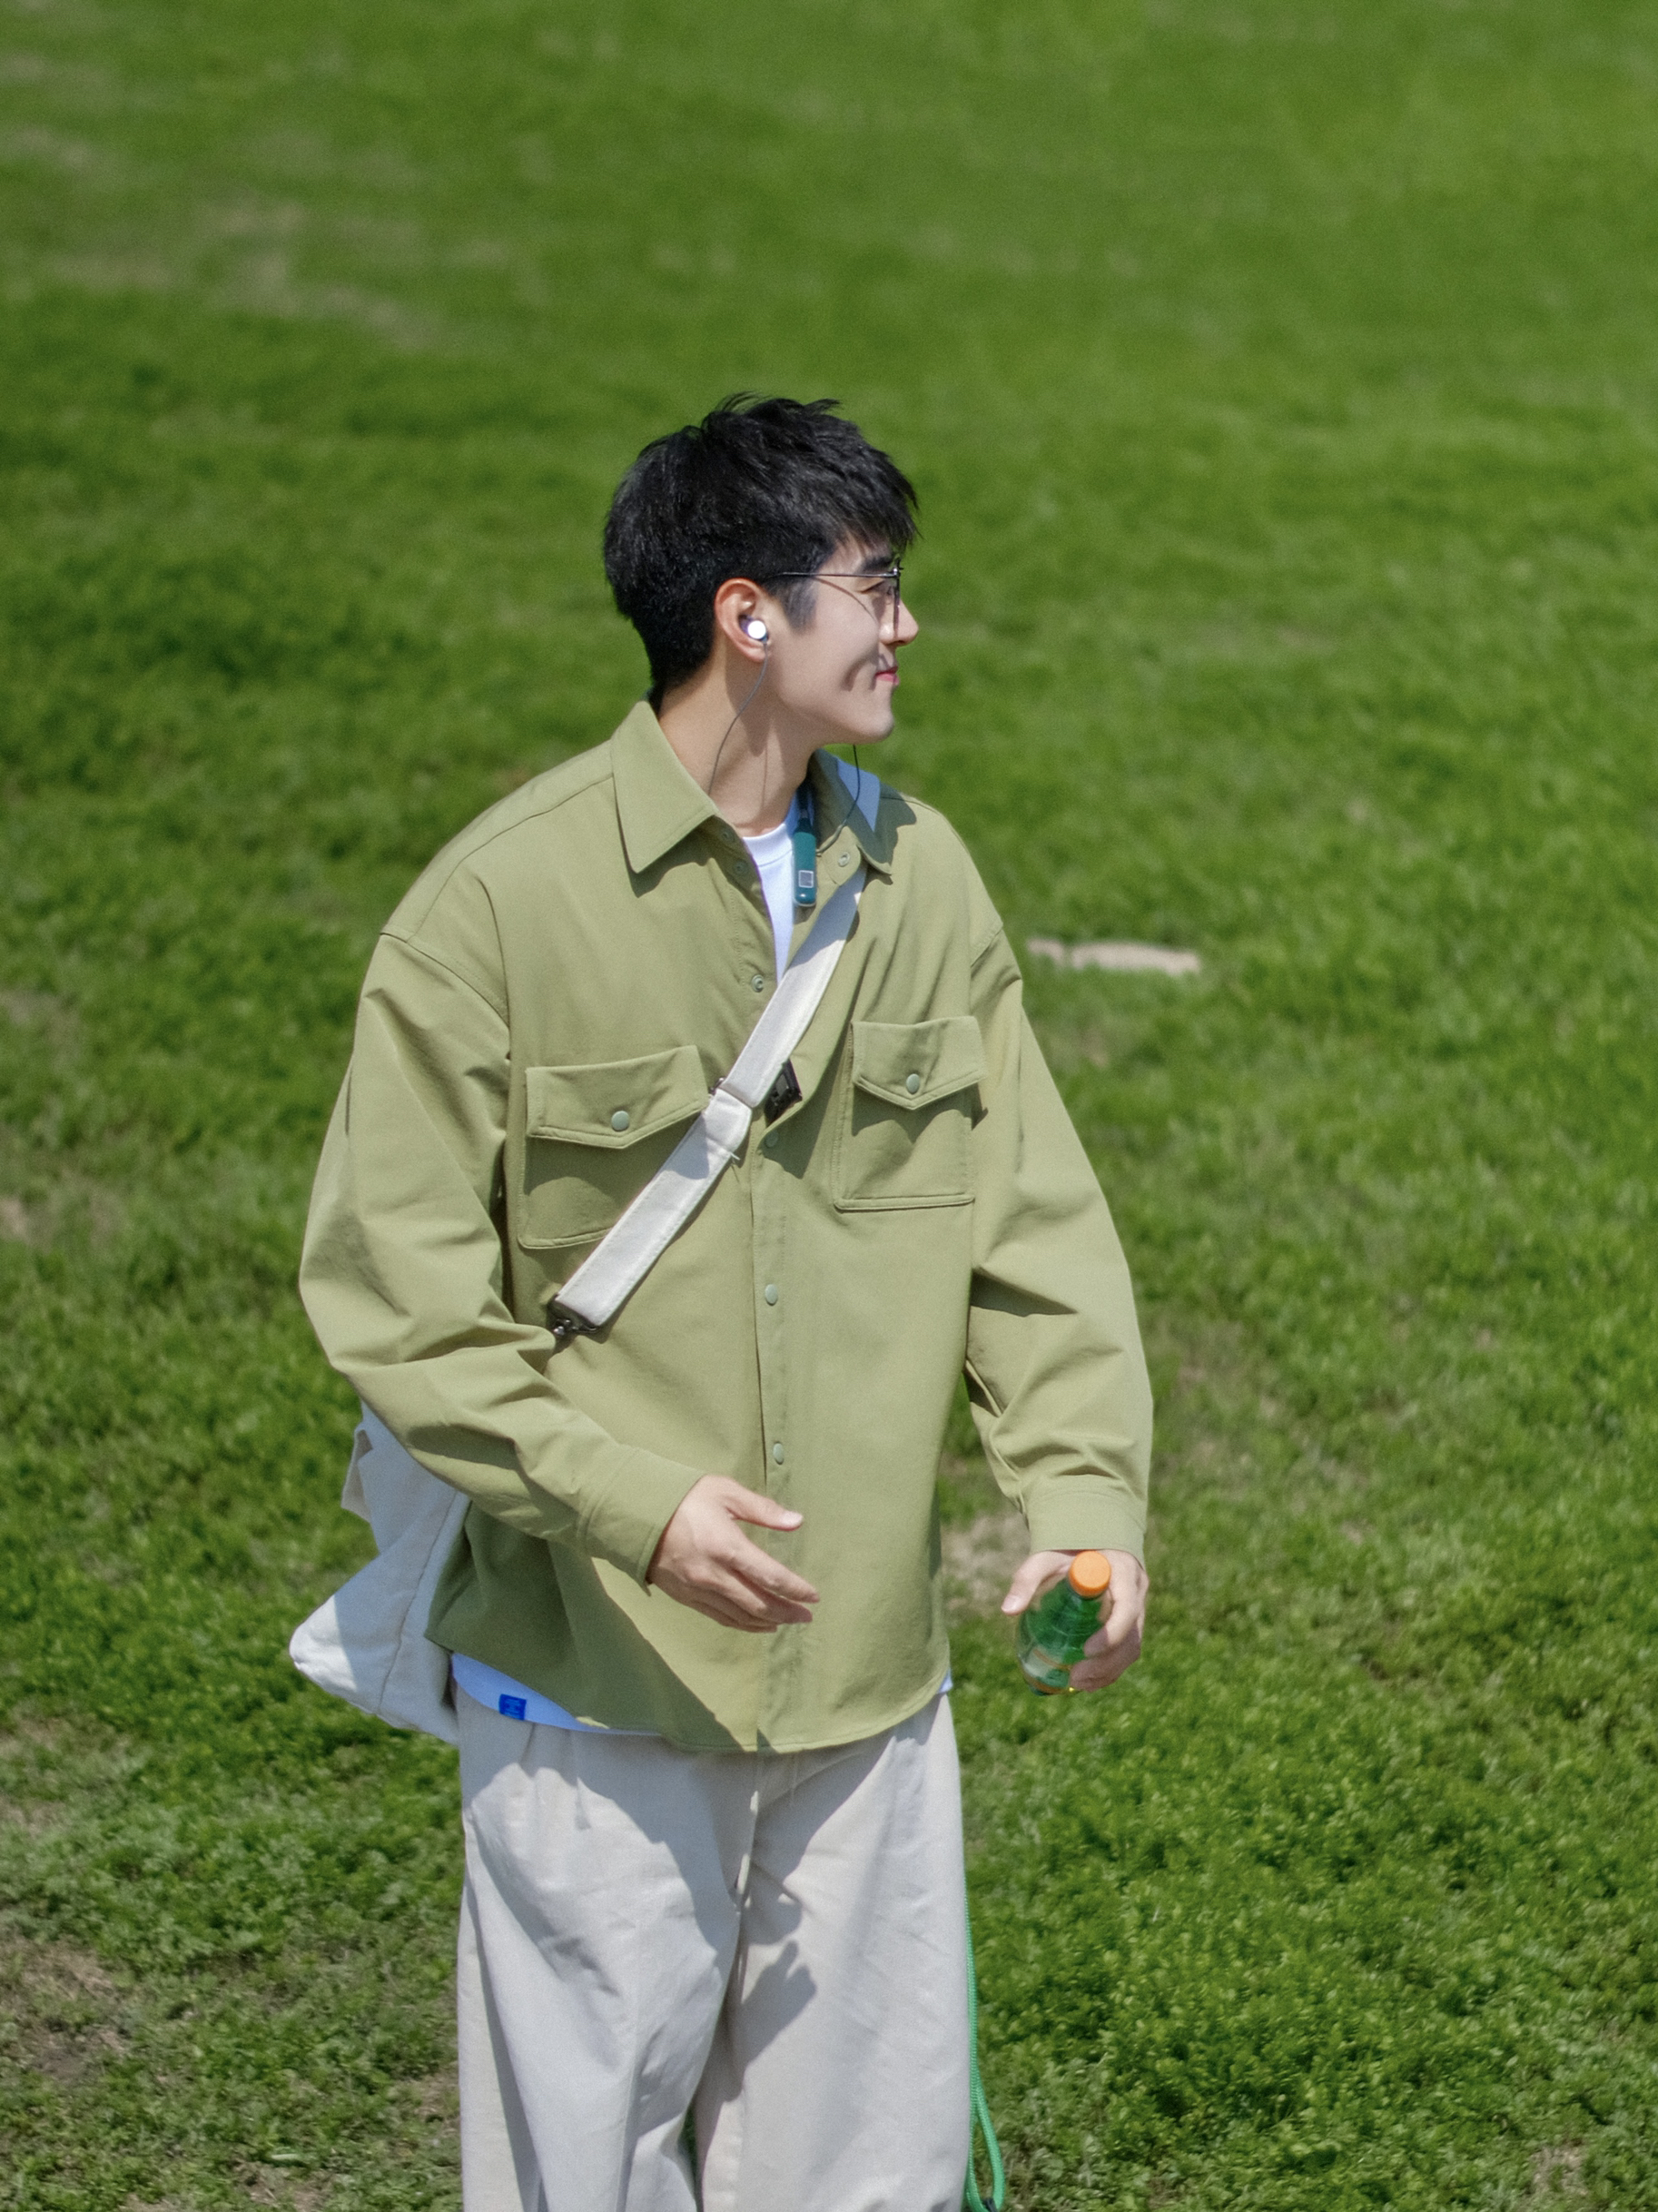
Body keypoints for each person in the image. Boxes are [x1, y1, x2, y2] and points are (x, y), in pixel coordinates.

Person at [299, 395, 1153, 2212]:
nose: (909, 622)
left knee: (871, 2184)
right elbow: (398, 1304)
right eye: (877, 585)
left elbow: (1034, 1232)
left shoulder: (924, 880)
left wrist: (1083, 1499)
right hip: (593, 1686)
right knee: (582, 2181)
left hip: (866, 1696)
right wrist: (634, 1505)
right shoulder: (494, 910)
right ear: (746, 616)